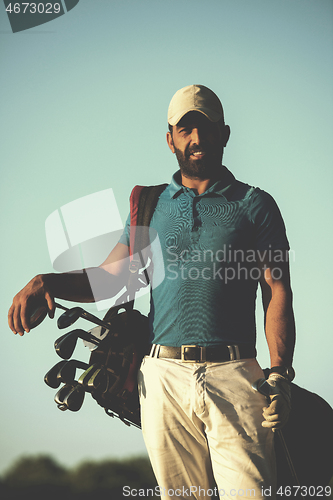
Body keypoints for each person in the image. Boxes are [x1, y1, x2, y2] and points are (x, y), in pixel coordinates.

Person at [8, 85, 295, 500]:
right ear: (170, 139)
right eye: (185, 130)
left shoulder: (255, 205)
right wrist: (48, 282)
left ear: (225, 134)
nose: (196, 140)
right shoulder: (152, 204)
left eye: (207, 129)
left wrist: (280, 373)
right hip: (163, 378)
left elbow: (277, 290)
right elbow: (114, 277)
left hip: (237, 376)